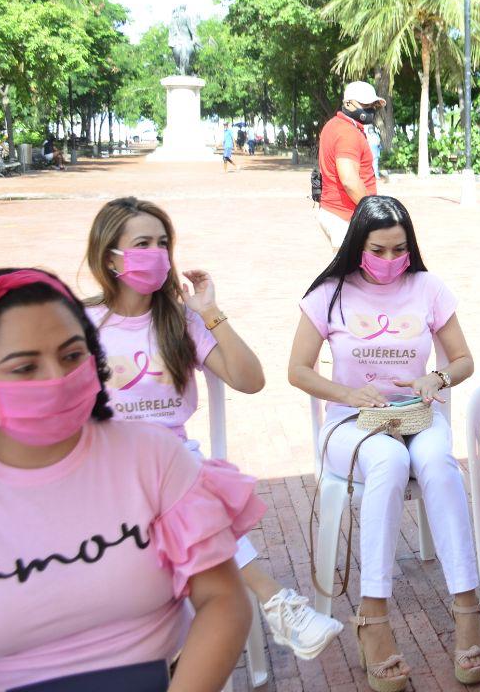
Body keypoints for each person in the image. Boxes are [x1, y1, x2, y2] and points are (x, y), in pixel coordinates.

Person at [0, 267, 262, 691]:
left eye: (72, 355)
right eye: (24, 368)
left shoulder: (151, 457)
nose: (55, 378)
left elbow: (223, 600)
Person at [83, 196, 345, 659]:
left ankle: (235, 621)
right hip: (103, 467)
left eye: (163, 243)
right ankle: (273, 600)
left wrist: (209, 312)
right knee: (183, 491)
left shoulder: (178, 320)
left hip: (174, 463)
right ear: (110, 255)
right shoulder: (82, 325)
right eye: (142, 243)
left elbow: (251, 380)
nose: (157, 253)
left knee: (179, 482)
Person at [287, 195, 480, 690]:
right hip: (351, 420)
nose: (391, 259)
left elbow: (464, 360)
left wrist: (436, 378)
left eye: (400, 249)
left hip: (417, 415)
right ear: (358, 245)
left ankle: (467, 607)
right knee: (389, 464)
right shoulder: (329, 294)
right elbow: (297, 370)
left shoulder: (428, 287)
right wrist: (348, 392)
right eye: (380, 249)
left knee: (438, 463)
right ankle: (372, 616)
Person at [317, 81, 383, 250]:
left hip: (334, 212)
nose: (371, 109)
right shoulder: (348, 133)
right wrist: (372, 212)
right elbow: (349, 180)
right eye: (366, 104)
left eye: (373, 105)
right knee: (352, 274)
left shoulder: (333, 125)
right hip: (345, 217)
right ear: (348, 104)